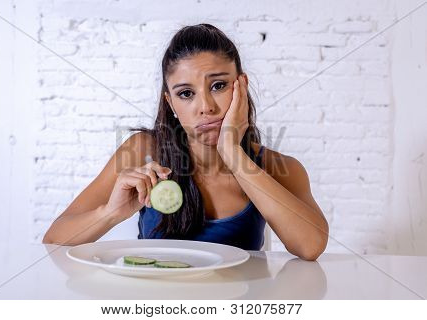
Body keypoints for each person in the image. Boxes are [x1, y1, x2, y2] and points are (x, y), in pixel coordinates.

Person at [43, 24, 328, 261]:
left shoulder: (275, 166)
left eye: (218, 86)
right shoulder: (143, 150)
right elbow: (55, 240)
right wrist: (110, 214)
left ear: (240, 85)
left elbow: (310, 246)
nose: (205, 107)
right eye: (186, 93)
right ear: (170, 102)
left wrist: (231, 151)